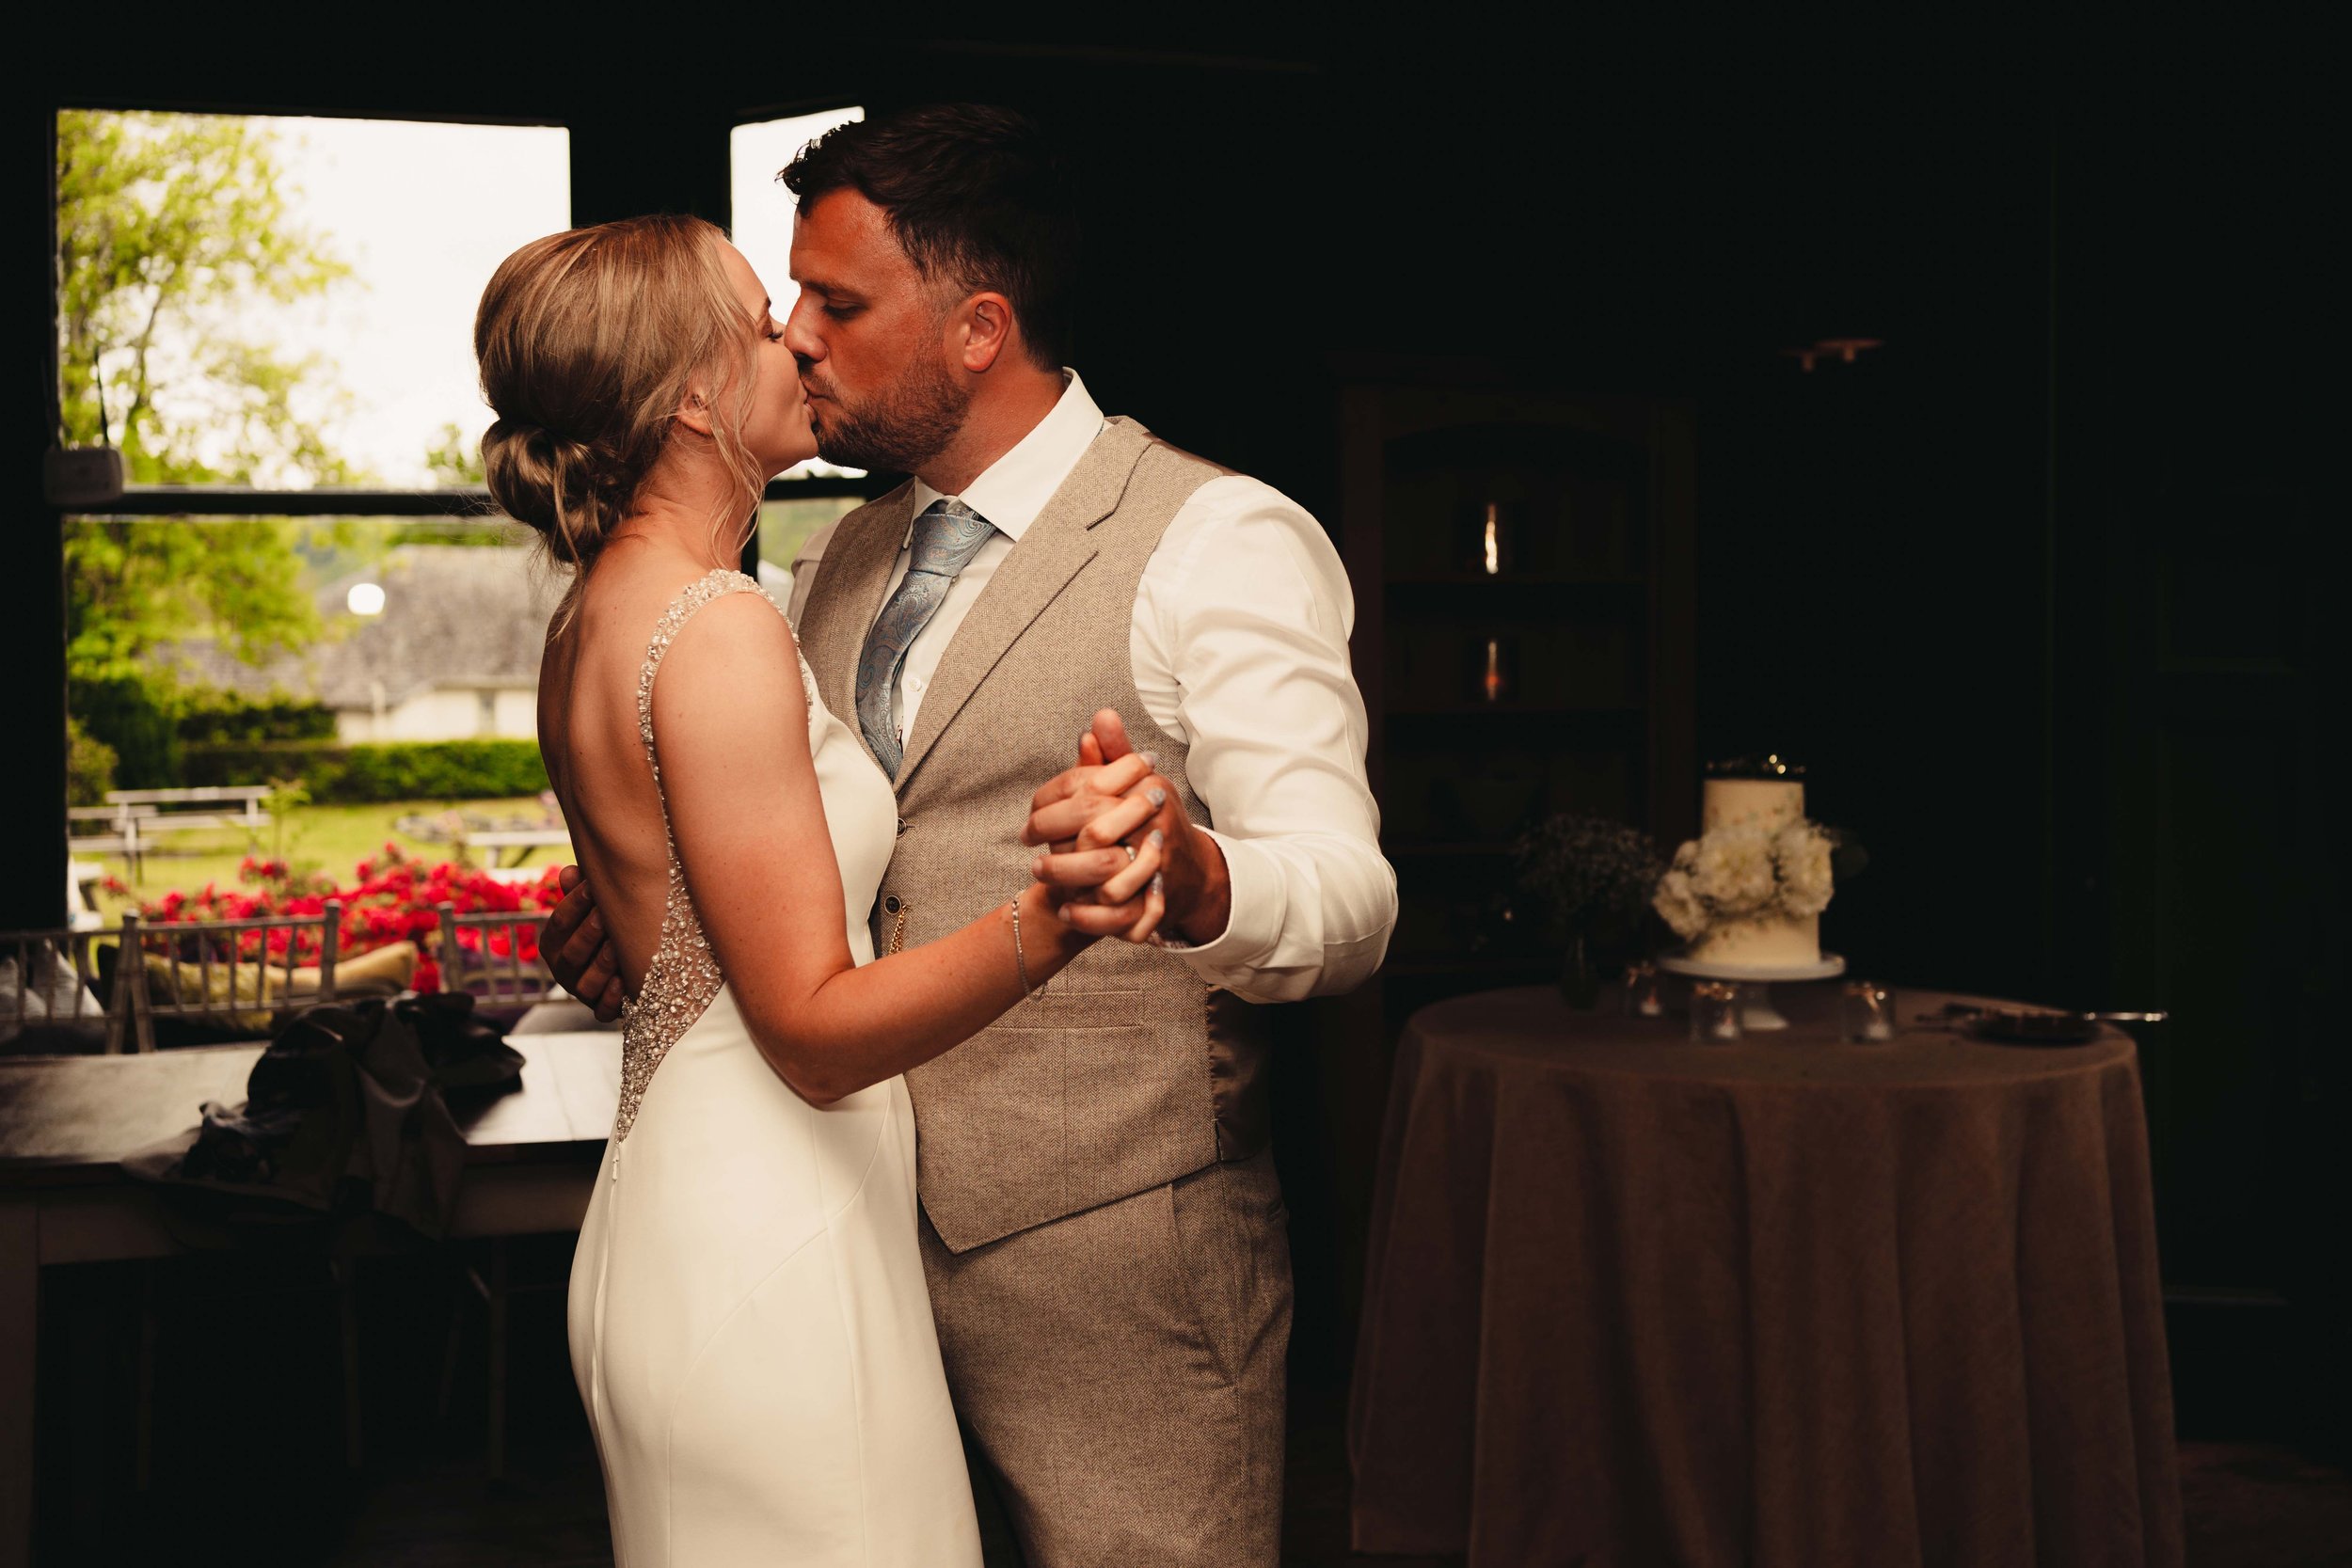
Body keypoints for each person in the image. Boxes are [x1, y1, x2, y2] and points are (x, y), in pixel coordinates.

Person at [545, 105, 1399, 1566]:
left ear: (979, 328)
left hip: (1111, 1266)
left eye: (841, 302)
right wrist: (665, 919)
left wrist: (1197, 880)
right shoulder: (828, 560)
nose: (800, 336)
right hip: (830, 1242)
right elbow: (807, 862)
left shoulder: (1222, 536)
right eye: (790, 300)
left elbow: (1349, 896)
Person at [477, 212, 1166, 1567]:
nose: (796, 334)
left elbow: (681, 916)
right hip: (767, 1237)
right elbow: (805, 1030)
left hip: (724, 1205)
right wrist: (1059, 915)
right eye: (755, 318)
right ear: (686, 394)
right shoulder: (713, 624)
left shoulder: (611, 606)